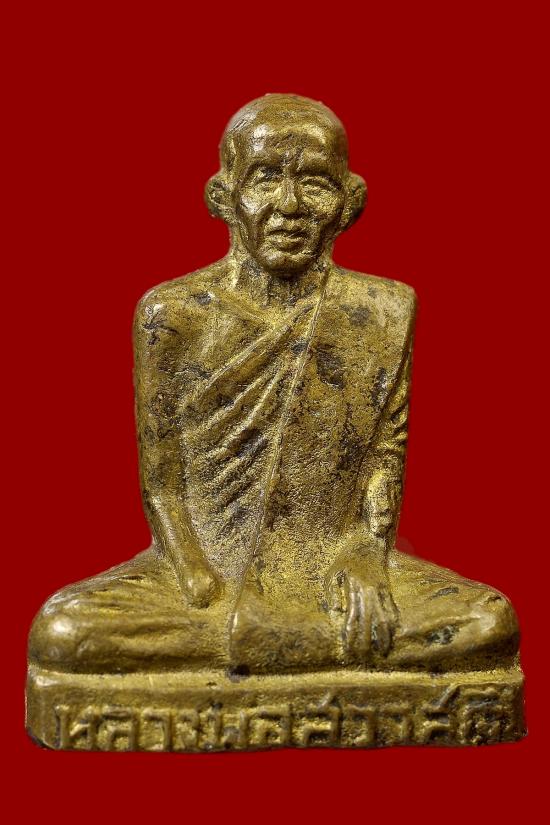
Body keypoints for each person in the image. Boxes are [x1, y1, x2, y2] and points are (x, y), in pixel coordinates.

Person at [29, 94, 519, 675]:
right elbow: (164, 488)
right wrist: (197, 578)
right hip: (207, 572)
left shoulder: (381, 310)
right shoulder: (174, 314)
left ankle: (268, 646)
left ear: (349, 203)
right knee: (65, 632)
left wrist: (366, 553)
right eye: (265, 179)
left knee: (488, 621)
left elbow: (384, 454)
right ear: (224, 196)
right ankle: (290, 648)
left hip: (335, 565)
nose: (290, 205)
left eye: (314, 184)